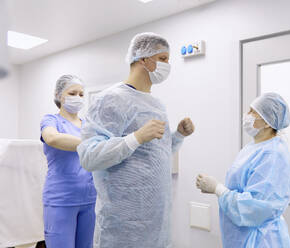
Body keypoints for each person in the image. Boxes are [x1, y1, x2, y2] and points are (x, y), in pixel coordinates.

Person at [77, 32, 195, 248]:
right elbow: (89, 157)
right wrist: (136, 138)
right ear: (143, 58)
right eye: (163, 59)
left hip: (157, 223)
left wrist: (178, 135)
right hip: (123, 227)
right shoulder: (111, 99)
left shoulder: (156, 105)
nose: (168, 65)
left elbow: (157, 155)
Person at [196, 93, 290, 248]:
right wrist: (215, 188)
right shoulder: (253, 148)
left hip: (261, 240)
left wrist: (217, 188)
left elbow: (254, 208)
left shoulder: (273, 155)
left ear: (267, 122)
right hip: (242, 236)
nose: (247, 115)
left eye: (253, 112)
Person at [40, 75, 97, 248]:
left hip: (89, 198)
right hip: (61, 199)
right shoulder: (51, 120)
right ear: (58, 95)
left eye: (81, 94)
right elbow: (52, 138)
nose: (78, 98)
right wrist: (90, 144)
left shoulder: (89, 124)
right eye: (73, 93)